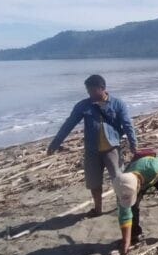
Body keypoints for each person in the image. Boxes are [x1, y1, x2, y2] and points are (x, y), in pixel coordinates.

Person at [47, 74, 137, 217]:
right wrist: (55, 143)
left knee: (119, 180)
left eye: (92, 91)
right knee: (94, 182)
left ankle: (123, 207)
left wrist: (133, 144)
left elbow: (127, 124)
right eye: (88, 91)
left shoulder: (117, 104)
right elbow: (68, 124)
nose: (90, 94)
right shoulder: (83, 105)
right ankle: (98, 208)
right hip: (92, 150)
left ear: (102, 89)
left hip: (112, 148)